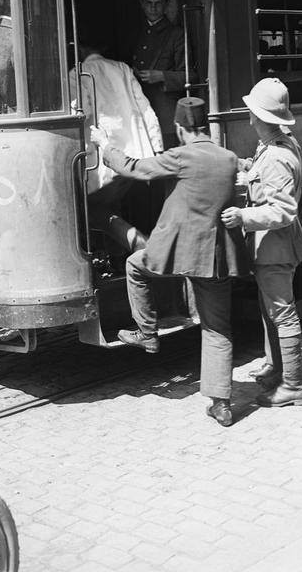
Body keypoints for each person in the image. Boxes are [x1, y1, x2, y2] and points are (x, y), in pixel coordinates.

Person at [90, 97, 250, 427]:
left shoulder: (181, 156)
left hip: (176, 251)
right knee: (217, 328)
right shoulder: (228, 158)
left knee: (135, 266)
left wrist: (105, 146)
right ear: (204, 126)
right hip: (215, 256)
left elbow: (133, 168)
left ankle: (147, 333)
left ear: (179, 128)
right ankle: (221, 404)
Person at [221, 78, 302, 408]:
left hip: (274, 248)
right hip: (272, 246)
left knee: (282, 314)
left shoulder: (276, 155)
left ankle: (293, 386)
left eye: (253, 114)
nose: (249, 119)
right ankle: (278, 369)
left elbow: (282, 210)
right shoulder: (278, 145)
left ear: (264, 118)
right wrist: (248, 167)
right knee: (271, 310)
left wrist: (243, 217)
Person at [70, 35, 163, 252]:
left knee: (94, 211)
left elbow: (82, 112)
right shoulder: (122, 68)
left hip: (101, 158)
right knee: (113, 206)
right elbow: (145, 107)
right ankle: (125, 257)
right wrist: (157, 147)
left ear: (80, 47)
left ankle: (147, 252)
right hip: (133, 154)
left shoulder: (78, 72)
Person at [131, 0, 196, 149]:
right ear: (141, 4)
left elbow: (190, 76)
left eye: (158, 3)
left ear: (166, 5)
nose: (153, 8)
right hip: (138, 108)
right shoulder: (135, 33)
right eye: (148, 3)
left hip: (165, 112)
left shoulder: (176, 35)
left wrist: (161, 76)